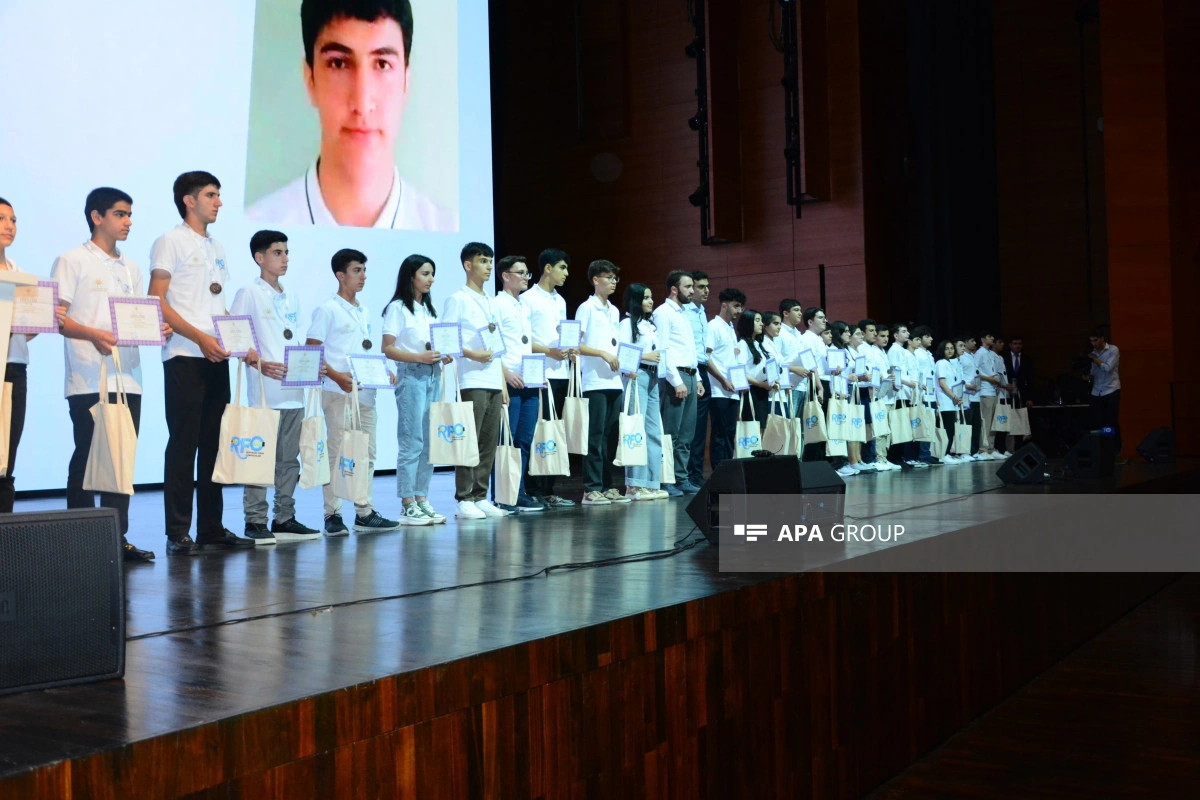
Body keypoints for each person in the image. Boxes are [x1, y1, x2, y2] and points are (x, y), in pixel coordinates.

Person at [246, 0, 455, 232]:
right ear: (310, 79)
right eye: (338, 63)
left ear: (405, 82)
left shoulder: (451, 235)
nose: (362, 104)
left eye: (382, 64)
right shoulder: (250, 229)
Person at [53, 187, 167, 560]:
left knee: (121, 460)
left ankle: (116, 540)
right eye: (120, 214)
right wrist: (94, 335)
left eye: (130, 214)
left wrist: (158, 329)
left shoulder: (131, 268)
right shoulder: (72, 260)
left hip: (128, 376)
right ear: (96, 216)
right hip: (89, 377)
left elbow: (136, 320)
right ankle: (80, 540)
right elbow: (57, 318)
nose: (128, 221)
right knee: (89, 458)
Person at [149, 172, 254, 554]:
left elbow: (216, 305)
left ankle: (211, 528)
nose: (219, 202)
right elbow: (156, 299)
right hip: (185, 355)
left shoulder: (218, 246)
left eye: (219, 195)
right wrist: (200, 338)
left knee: (214, 444)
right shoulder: (170, 241)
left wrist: (239, 342)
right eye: (211, 195)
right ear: (189, 200)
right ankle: (178, 532)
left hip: (216, 356)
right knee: (184, 444)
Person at [230, 231, 322, 543]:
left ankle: (284, 518)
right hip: (265, 392)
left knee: (288, 460)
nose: (285, 259)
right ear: (260, 258)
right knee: (259, 458)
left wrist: (312, 366)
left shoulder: (292, 296)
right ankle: (255, 520)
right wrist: (256, 361)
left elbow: (296, 341)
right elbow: (235, 336)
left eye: (286, 252)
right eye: (277, 253)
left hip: (294, 392)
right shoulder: (248, 292)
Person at [306, 248, 400, 534]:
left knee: (366, 454)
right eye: (357, 270)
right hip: (338, 392)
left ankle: (364, 511)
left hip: (365, 394)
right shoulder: (327, 309)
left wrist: (382, 370)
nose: (363, 276)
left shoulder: (364, 310)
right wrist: (337, 376)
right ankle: (332, 514)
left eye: (364, 270)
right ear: (340, 275)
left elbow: (363, 351)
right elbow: (312, 350)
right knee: (338, 454)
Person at [442, 242, 510, 519]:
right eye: (483, 261)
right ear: (468, 265)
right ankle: (464, 498)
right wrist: (473, 354)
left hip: (493, 378)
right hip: (471, 378)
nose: (489, 266)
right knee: (467, 440)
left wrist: (503, 383)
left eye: (490, 261)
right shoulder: (457, 299)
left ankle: (481, 495)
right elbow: (446, 339)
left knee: (487, 442)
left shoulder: (491, 302)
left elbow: (498, 345)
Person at [382, 254, 451, 525]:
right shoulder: (398, 308)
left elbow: (435, 343)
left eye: (432, 274)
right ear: (411, 276)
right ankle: (407, 502)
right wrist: (419, 357)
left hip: (434, 375)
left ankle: (422, 498)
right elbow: (387, 348)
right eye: (425, 273)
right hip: (411, 376)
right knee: (411, 441)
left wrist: (443, 354)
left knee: (429, 442)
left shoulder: (429, 310)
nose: (430, 279)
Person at [520, 248, 575, 508]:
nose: (566, 273)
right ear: (548, 268)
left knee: (555, 431)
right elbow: (523, 339)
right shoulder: (527, 299)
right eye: (562, 267)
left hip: (561, 372)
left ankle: (549, 488)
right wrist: (549, 351)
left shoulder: (560, 301)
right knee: (536, 432)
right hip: (539, 372)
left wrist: (570, 348)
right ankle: (531, 489)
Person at [491, 255, 543, 513]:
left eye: (527, 273)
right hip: (509, 380)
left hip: (529, 380)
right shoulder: (496, 305)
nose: (525, 277)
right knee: (506, 440)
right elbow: (493, 345)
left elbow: (526, 344)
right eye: (520, 273)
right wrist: (505, 373)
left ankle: (518, 491)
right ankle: (502, 494)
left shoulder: (524, 306)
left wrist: (538, 373)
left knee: (524, 439)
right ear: (505, 275)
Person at [575, 260, 628, 506]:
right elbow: (576, 344)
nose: (613, 281)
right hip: (594, 381)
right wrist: (602, 354)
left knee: (609, 436)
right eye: (609, 277)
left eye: (615, 277)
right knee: (594, 436)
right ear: (596, 280)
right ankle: (591, 489)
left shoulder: (614, 310)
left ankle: (607, 486)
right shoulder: (586, 308)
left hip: (614, 381)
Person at [652, 270, 704, 496]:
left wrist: (697, 378)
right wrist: (675, 380)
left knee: (686, 434)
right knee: (670, 432)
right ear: (674, 289)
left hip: (690, 375)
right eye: (688, 287)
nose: (692, 291)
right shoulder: (663, 313)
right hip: (675, 377)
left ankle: (681, 478)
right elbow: (662, 350)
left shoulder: (683, 313)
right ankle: (666, 479)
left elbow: (689, 350)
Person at [618, 283, 666, 501]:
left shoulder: (649, 325)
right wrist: (645, 356)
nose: (651, 301)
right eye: (646, 297)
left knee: (654, 431)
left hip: (654, 377)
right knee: (636, 429)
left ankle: (652, 484)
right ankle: (634, 485)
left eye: (651, 297)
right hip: (637, 375)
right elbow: (621, 352)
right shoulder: (627, 324)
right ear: (635, 300)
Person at [0, 197, 33, 515]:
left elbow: (25, 331)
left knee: (5, 456)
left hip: (13, 368)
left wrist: (42, 318)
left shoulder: (19, 274)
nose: (9, 226)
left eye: (13, 220)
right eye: (1, 219)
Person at [704, 288, 745, 474]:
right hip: (718, 389)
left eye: (741, 307)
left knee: (730, 432)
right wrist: (722, 379)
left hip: (733, 390)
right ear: (724, 305)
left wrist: (740, 382)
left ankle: (729, 470)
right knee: (719, 433)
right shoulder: (713, 326)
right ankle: (719, 473)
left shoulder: (730, 329)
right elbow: (706, 358)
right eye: (736, 306)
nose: (739, 310)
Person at [684, 270, 711, 489]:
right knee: (689, 427)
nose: (706, 290)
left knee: (701, 428)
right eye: (701, 287)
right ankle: (687, 475)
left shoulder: (702, 311)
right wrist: (699, 376)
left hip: (703, 367)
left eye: (707, 286)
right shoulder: (684, 311)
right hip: (691, 370)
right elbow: (688, 348)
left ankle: (696, 473)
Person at [887, 324, 923, 469]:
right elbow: (894, 371)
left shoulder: (902, 351)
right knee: (898, 425)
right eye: (903, 331)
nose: (907, 333)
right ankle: (894, 457)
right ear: (896, 335)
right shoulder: (894, 350)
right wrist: (908, 383)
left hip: (906, 392)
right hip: (899, 393)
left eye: (907, 331)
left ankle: (900, 456)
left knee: (904, 426)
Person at [799, 308, 829, 461]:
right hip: (814, 383)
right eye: (820, 318)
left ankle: (820, 461)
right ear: (810, 322)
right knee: (814, 423)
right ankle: (811, 462)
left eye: (825, 318)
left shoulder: (818, 339)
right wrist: (819, 387)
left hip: (822, 381)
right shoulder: (807, 339)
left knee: (822, 425)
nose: (825, 320)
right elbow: (811, 365)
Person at [871, 327, 902, 470]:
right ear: (875, 336)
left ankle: (884, 457)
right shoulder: (872, 352)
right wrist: (885, 377)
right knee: (880, 428)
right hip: (880, 396)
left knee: (887, 429)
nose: (885, 339)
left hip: (889, 395)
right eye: (882, 336)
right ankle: (879, 457)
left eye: (887, 336)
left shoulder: (884, 352)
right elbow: (874, 373)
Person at [736, 310, 772, 426]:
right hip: (750, 390)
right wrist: (760, 384)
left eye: (761, 320)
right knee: (753, 429)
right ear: (748, 322)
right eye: (757, 320)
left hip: (762, 390)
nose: (762, 324)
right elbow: (740, 371)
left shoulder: (758, 344)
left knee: (762, 427)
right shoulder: (742, 344)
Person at [1087, 329, 1121, 450]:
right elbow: (1093, 373)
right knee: (1098, 422)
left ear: (1102, 338)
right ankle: (1102, 448)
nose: (1093, 343)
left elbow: (1107, 368)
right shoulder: (1093, 353)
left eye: (1095, 340)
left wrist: (1095, 359)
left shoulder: (1113, 350)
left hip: (1111, 389)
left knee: (1111, 421)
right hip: (1096, 391)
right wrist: (1088, 376)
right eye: (1091, 341)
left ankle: (1115, 448)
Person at [935, 339, 966, 464]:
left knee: (951, 429)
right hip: (945, 400)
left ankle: (948, 453)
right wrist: (954, 396)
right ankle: (943, 454)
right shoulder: (941, 363)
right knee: (946, 429)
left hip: (952, 401)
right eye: (946, 349)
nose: (949, 351)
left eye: (951, 348)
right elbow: (942, 384)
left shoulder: (951, 363)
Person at [974, 330, 1004, 460]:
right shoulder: (979, 353)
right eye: (989, 336)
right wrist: (989, 379)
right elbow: (975, 372)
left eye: (992, 336)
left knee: (993, 422)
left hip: (994, 390)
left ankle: (991, 448)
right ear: (983, 339)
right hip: (985, 390)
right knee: (986, 421)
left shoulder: (991, 354)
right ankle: (983, 448)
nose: (992, 339)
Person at [957, 334, 982, 461]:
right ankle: (964, 450)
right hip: (966, 394)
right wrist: (968, 386)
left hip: (976, 395)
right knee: (966, 423)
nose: (975, 343)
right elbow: (960, 377)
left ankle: (974, 450)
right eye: (972, 340)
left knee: (976, 424)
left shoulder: (972, 356)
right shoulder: (961, 358)